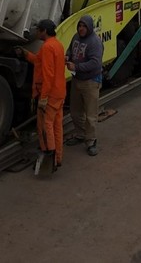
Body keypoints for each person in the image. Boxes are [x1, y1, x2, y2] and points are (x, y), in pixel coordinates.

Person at [19, 19, 67, 171]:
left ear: (44, 31)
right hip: (59, 92)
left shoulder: (47, 47)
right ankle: (58, 158)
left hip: (50, 94)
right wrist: (25, 53)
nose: (37, 32)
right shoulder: (57, 44)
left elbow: (48, 75)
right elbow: (37, 61)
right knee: (57, 126)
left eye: (39, 30)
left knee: (46, 126)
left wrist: (44, 98)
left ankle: (48, 158)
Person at [64, 15, 104, 156]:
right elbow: (70, 49)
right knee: (75, 112)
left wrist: (77, 67)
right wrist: (68, 56)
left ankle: (91, 141)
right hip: (77, 80)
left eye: (84, 26)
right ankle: (81, 135)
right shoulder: (76, 37)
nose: (81, 29)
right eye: (80, 26)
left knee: (90, 115)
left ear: (90, 27)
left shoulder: (95, 42)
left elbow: (95, 63)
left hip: (91, 82)